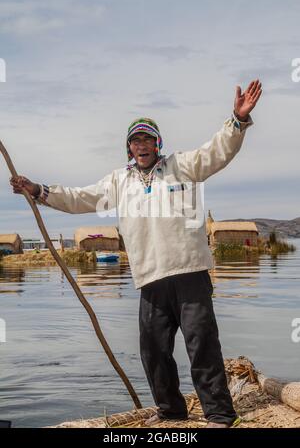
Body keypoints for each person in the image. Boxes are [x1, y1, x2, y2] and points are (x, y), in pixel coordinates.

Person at [10, 80, 262, 428]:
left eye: (147, 139)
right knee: (153, 351)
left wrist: (236, 119)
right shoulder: (119, 182)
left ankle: (219, 413)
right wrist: (38, 190)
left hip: (190, 273)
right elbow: (79, 197)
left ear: (158, 144)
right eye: (135, 141)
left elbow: (217, 152)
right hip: (150, 277)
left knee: (201, 344)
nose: (141, 145)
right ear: (129, 149)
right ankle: (172, 410)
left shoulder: (181, 167)